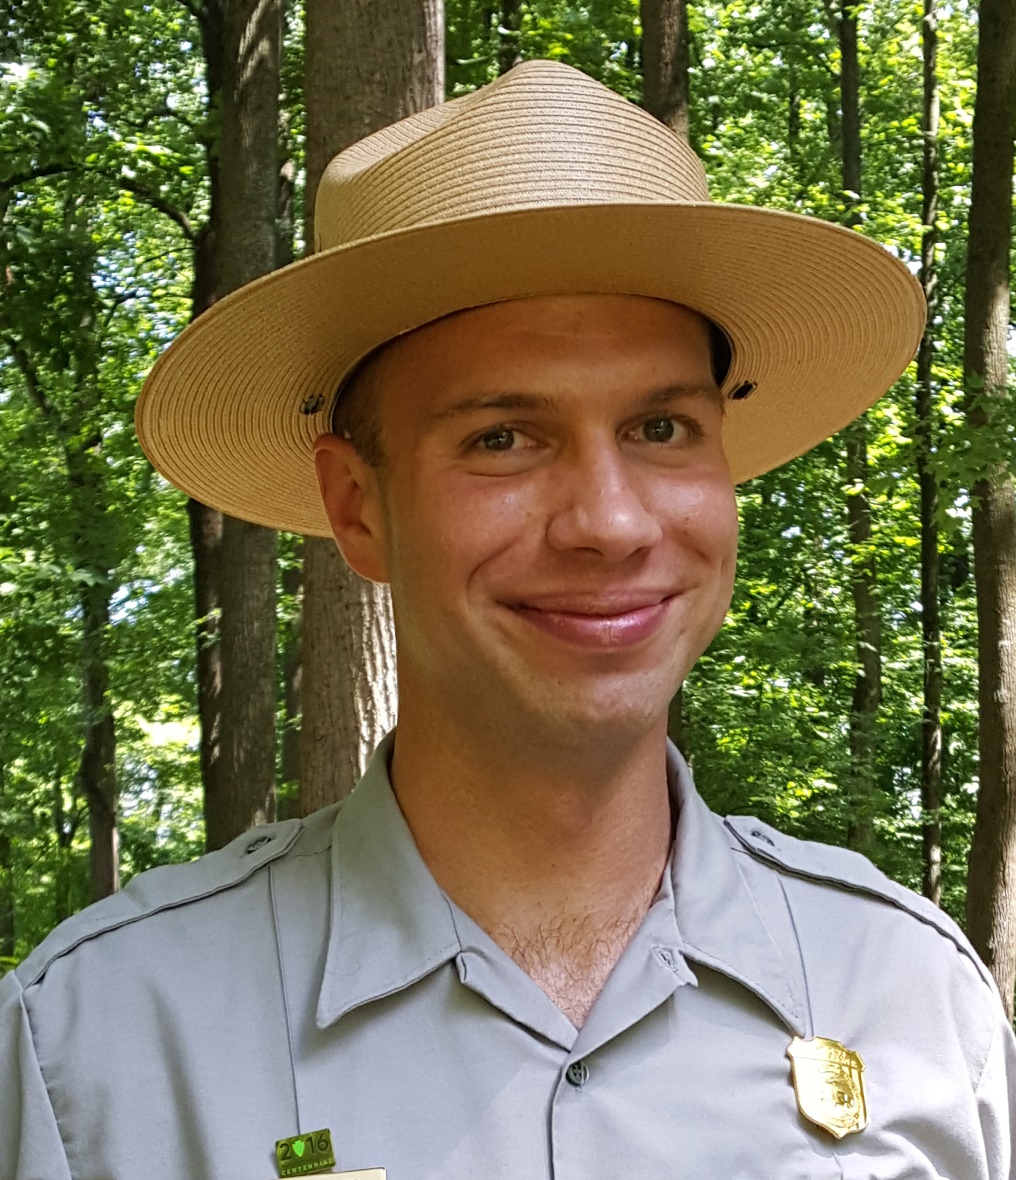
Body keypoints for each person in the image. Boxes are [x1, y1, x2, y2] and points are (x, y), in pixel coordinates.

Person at [1, 59, 1012, 1180]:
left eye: (662, 427)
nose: (610, 522)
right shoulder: (97, 1051)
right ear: (356, 507)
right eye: (501, 438)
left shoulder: (912, 1000)